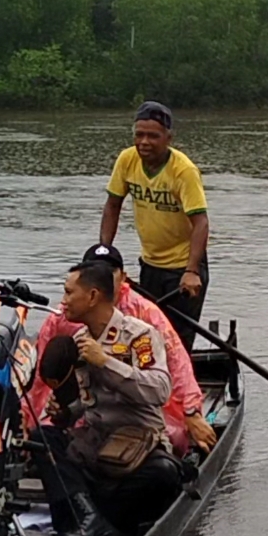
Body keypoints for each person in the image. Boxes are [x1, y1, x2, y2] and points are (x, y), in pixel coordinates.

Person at [27, 260, 187, 536]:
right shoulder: (79, 339)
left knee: (164, 474)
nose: (63, 302)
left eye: (68, 293)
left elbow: (160, 391)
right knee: (43, 440)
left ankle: (98, 523)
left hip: (136, 447)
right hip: (95, 445)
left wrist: (107, 363)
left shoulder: (139, 336)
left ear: (92, 296)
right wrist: (64, 412)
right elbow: (85, 402)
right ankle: (86, 522)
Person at [21, 243, 216, 456]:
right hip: (90, 411)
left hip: (137, 408)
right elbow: (40, 371)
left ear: (122, 277)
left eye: (110, 272)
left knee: (174, 441)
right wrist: (26, 416)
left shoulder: (145, 314)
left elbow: (177, 361)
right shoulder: (66, 314)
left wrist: (192, 412)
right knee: (45, 436)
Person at [99, 100, 209, 353]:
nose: (144, 142)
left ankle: (180, 390)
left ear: (168, 138)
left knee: (177, 341)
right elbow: (112, 205)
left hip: (183, 267)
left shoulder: (183, 171)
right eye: (139, 135)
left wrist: (192, 271)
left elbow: (201, 222)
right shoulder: (127, 160)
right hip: (150, 265)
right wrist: (104, 253)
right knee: (146, 334)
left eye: (153, 136)